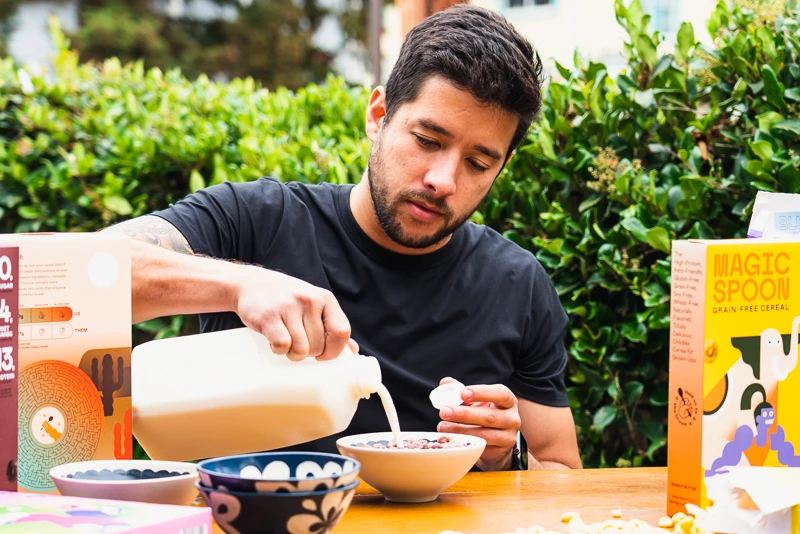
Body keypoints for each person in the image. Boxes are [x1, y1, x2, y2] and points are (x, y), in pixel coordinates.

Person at [106, 3, 581, 471]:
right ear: (378, 115)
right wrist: (239, 284)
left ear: (501, 166)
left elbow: (562, 471)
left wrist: (508, 456)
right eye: (427, 140)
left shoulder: (517, 284)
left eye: (477, 163)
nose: (443, 180)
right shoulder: (256, 219)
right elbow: (84, 273)